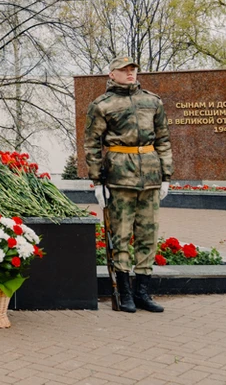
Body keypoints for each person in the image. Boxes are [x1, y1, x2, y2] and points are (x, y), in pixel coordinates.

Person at [84, 56, 172, 313]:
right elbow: (91, 144)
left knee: (148, 236)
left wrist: (166, 176)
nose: (130, 73)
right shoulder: (102, 105)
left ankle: (142, 291)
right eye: (124, 70)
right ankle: (125, 293)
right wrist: (97, 180)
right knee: (121, 235)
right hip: (119, 176)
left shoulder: (152, 101)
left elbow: (163, 139)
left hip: (151, 176)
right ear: (112, 74)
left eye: (133, 69)